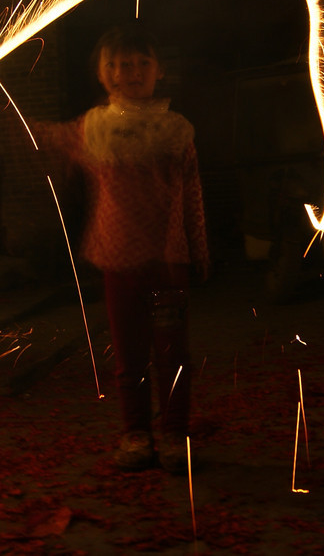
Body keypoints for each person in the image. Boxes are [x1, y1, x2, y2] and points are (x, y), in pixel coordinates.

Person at [37, 24, 209, 473]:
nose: (127, 72)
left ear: (159, 71)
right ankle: (136, 434)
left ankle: (174, 435)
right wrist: (5, 113)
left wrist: (200, 248)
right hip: (117, 262)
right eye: (116, 63)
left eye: (139, 63)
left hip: (168, 262)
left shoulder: (175, 131)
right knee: (129, 355)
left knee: (172, 353)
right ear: (100, 73)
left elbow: (192, 195)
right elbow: (47, 137)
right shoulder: (95, 129)